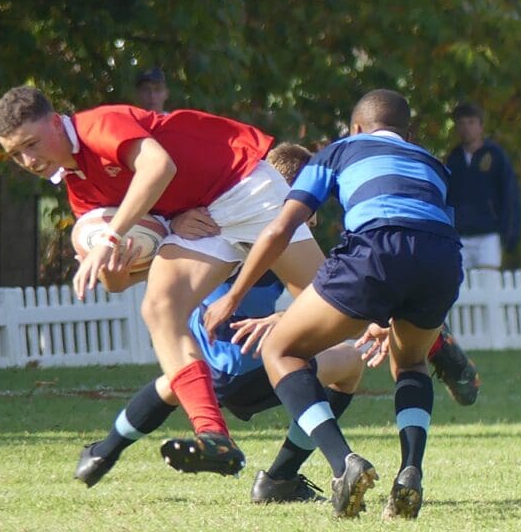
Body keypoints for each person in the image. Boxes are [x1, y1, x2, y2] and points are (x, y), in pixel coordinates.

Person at [0, 86, 324, 477]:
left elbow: (158, 167)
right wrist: (116, 269)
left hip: (244, 185)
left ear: (54, 121)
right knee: (160, 308)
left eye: (31, 143)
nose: (28, 160)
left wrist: (113, 236)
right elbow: (117, 284)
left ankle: (402, 348)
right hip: (205, 220)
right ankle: (214, 437)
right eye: (16, 154)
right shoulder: (80, 189)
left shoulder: (98, 124)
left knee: (333, 307)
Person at [203, 90, 463, 519]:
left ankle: (344, 463)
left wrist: (233, 296)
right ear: (408, 131)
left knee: (281, 350)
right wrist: (393, 309)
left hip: (374, 250)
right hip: (441, 260)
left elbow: (281, 228)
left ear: (355, 127)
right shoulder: (433, 165)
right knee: (412, 363)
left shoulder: (338, 151)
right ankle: (410, 470)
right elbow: (431, 237)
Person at [76, 142, 365, 503]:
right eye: (315, 204)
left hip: (206, 369)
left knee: (175, 380)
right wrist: (281, 317)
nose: (316, 217)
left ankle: (104, 450)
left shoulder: (207, 225)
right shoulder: (280, 235)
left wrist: (119, 270)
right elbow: (324, 303)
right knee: (351, 362)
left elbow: (128, 282)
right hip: (251, 369)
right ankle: (282, 476)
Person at [444, 101, 521, 270]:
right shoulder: (453, 159)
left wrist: (509, 233)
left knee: (489, 285)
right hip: (461, 235)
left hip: (489, 233)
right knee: (462, 287)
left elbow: (509, 195)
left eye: (471, 122)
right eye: (462, 123)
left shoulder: (495, 156)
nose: (466, 128)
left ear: (481, 126)